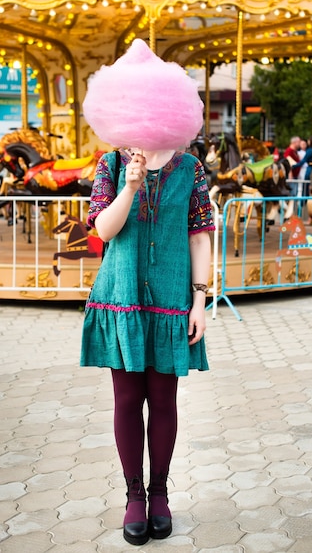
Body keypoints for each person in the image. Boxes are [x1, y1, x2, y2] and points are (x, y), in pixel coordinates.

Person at [80, 146, 214, 545]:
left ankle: (159, 493)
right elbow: (103, 229)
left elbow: (200, 235)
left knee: (163, 399)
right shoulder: (113, 163)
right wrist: (129, 187)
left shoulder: (190, 167)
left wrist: (199, 301)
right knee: (126, 399)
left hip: (171, 300)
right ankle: (133, 494)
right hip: (122, 296)